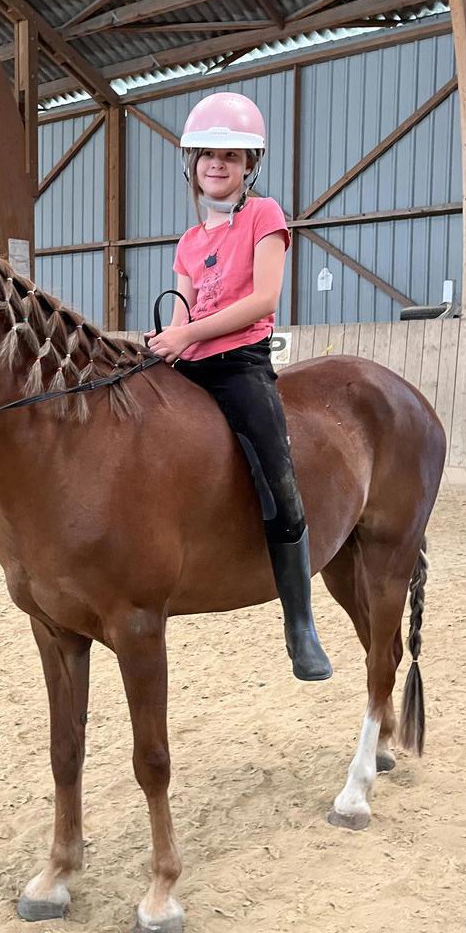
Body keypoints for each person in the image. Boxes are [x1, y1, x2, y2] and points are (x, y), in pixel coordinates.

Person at [147, 91, 332, 682]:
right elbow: (181, 317)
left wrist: (187, 335)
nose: (217, 166)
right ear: (193, 163)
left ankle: (299, 622)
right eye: (208, 156)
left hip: (240, 363)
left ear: (250, 166)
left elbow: (264, 299)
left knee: (277, 472)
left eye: (231, 157)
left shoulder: (265, 216)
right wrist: (163, 344)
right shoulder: (187, 241)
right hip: (189, 361)